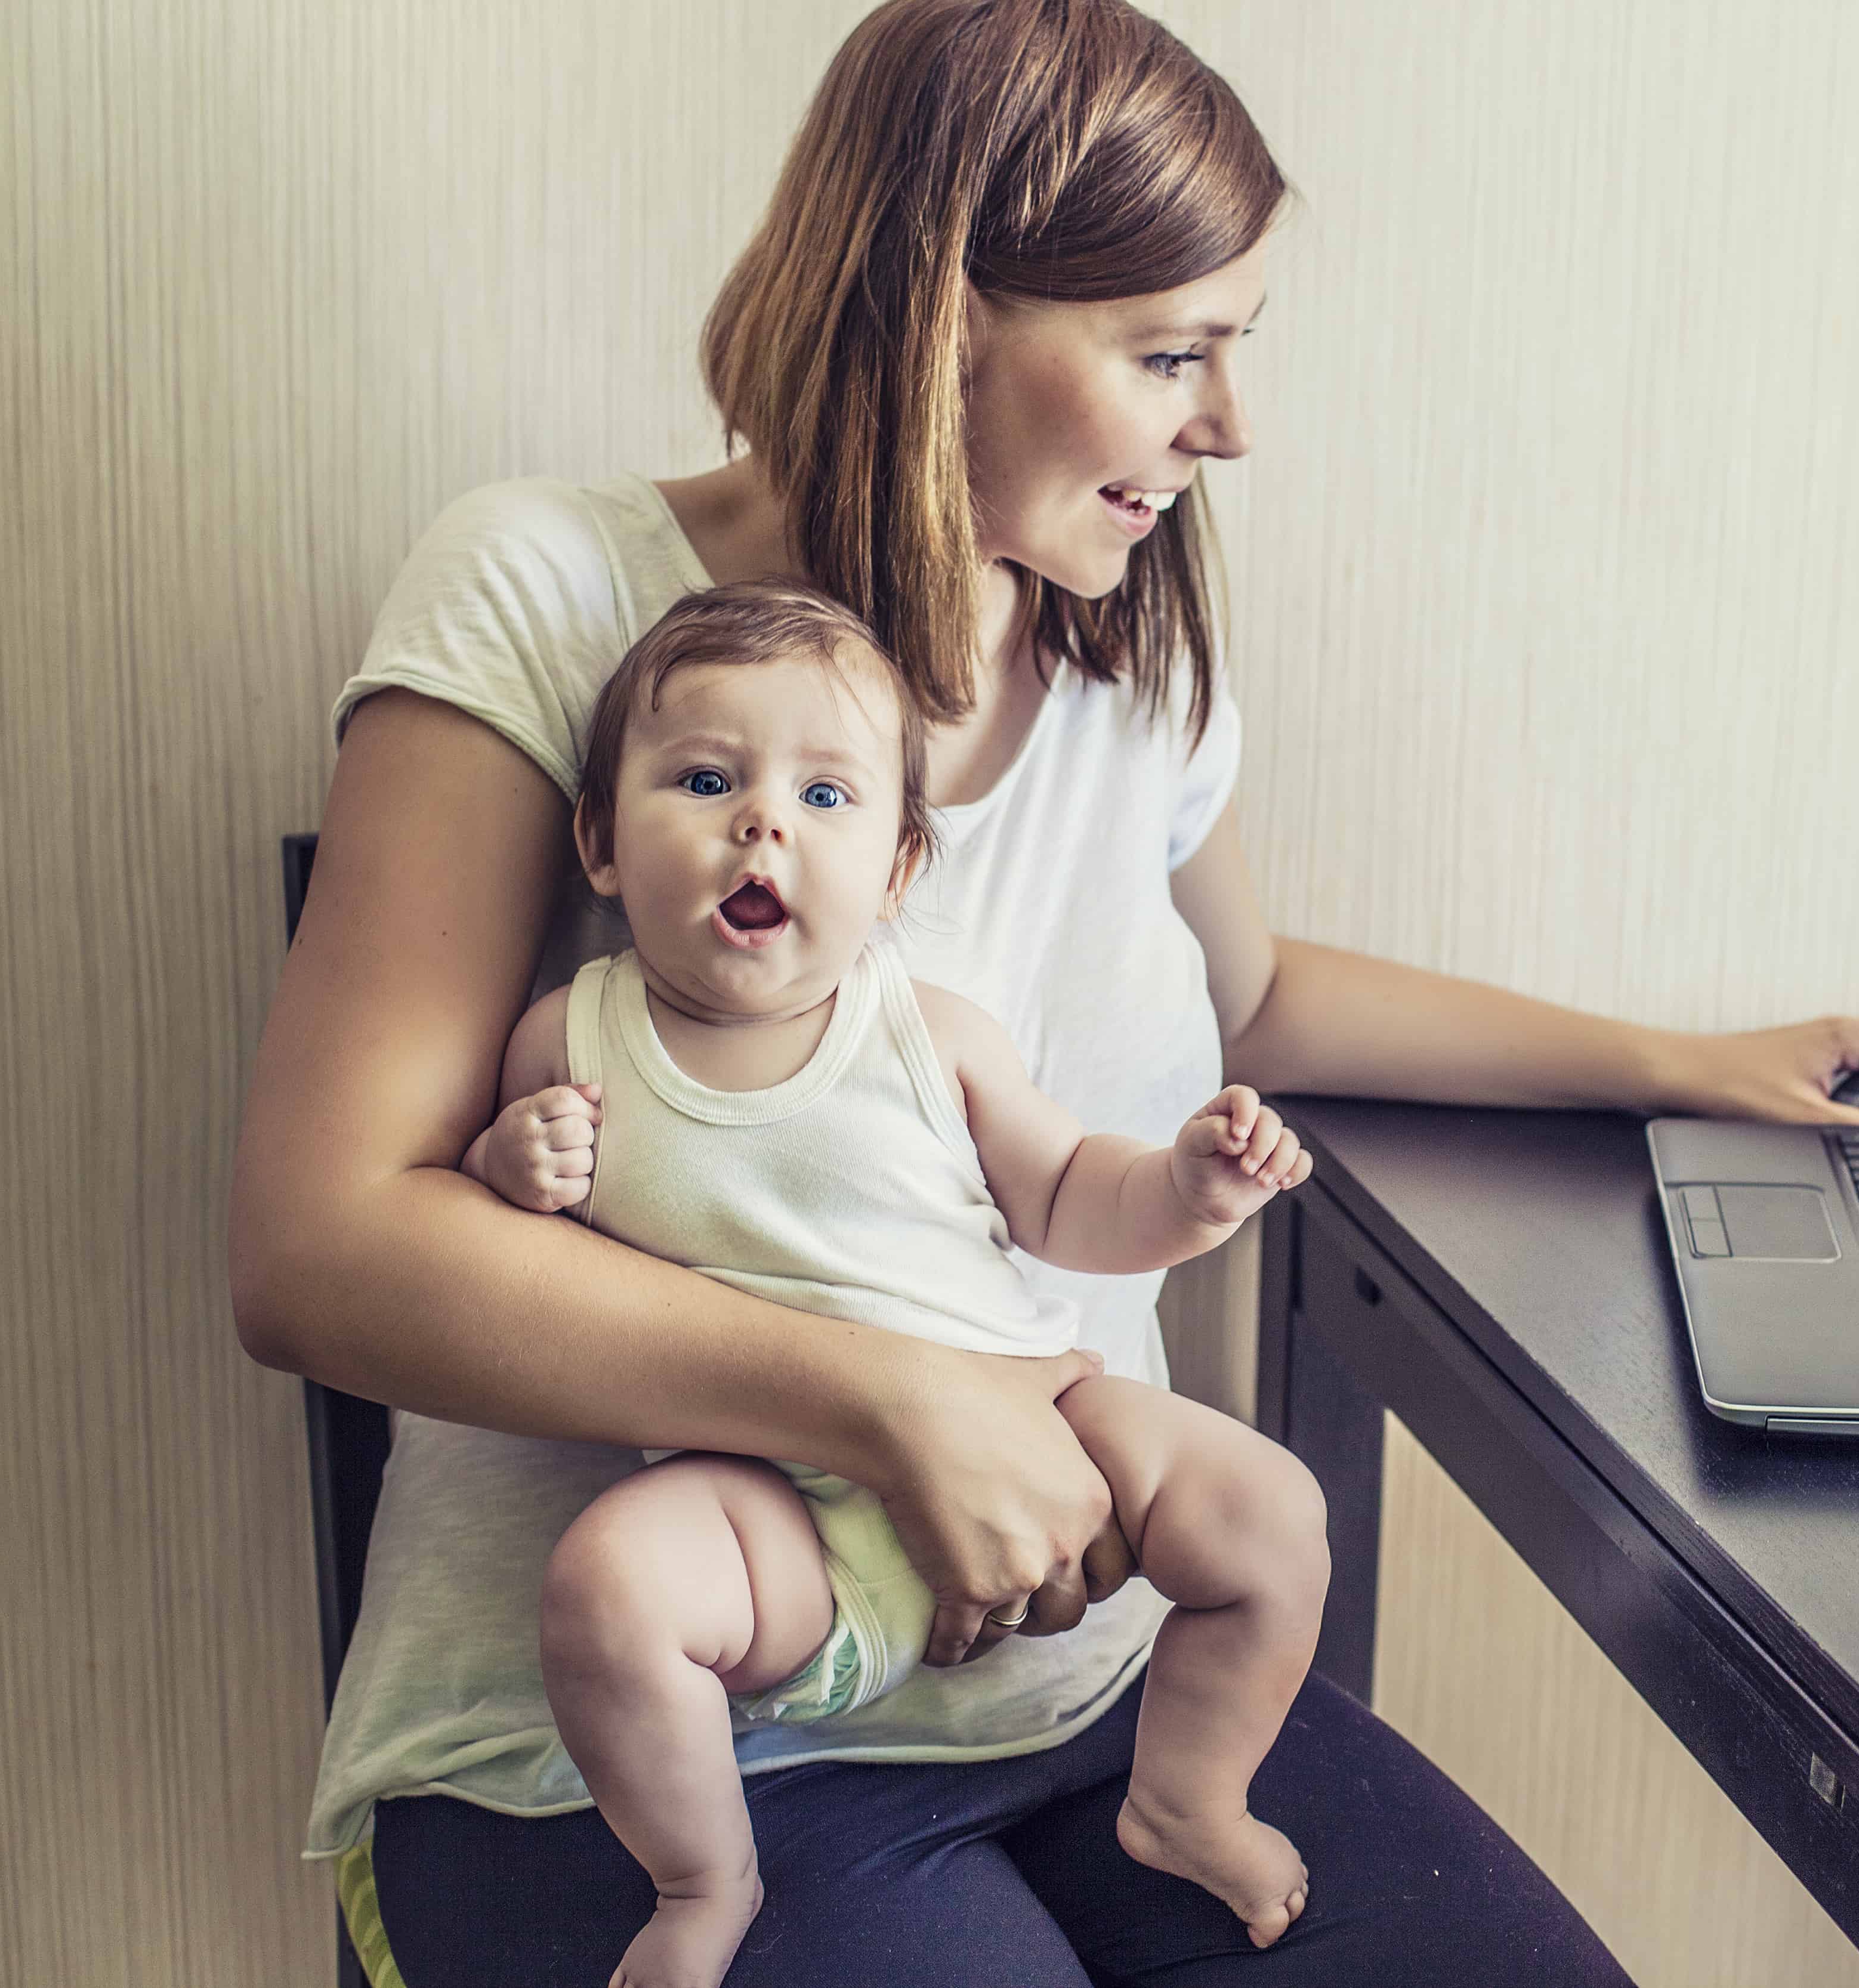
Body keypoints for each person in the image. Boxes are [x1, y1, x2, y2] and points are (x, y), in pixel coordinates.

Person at [228, 1, 1859, 1980]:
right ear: (938, 321)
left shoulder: (1118, 657)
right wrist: (900, 1399)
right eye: (1172, 353)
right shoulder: (557, 595)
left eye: (1233, 348)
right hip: (634, 1743)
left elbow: (1251, 1004)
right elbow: (318, 1251)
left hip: (1095, 1690)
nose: (1227, 425)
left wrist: (1683, 1065)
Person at [480, 580, 1329, 1984]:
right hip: (768, 1502)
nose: (764, 823)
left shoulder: (929, 1030)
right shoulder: (569, 1039)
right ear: (600, 842)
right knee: (607, 1584)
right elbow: (511, 1281)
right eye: (705, 779)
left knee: (1272, 1514)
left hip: (1033, 1422)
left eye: (826, 795)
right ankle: (705, 1878)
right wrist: (519, 1166)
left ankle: (1186, 1796)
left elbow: (1066, 1195)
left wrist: (1186, 1186)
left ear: (895, 870)